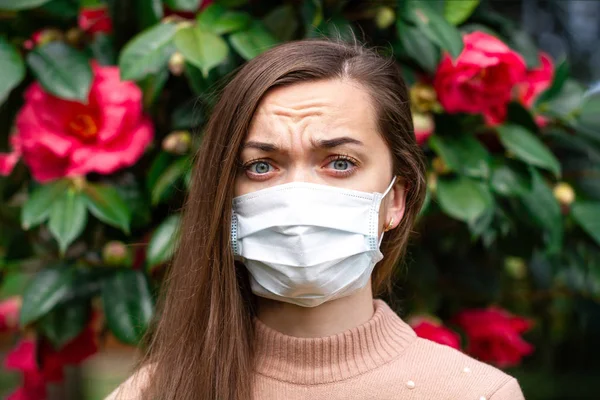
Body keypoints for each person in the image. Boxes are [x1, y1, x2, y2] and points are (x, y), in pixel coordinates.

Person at [105, 38, 525, 400]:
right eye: (261, 166)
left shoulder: (478, 394)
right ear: (224, 197)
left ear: (395, 199)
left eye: (339, 163)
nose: (297, 196)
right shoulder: (152, 393)